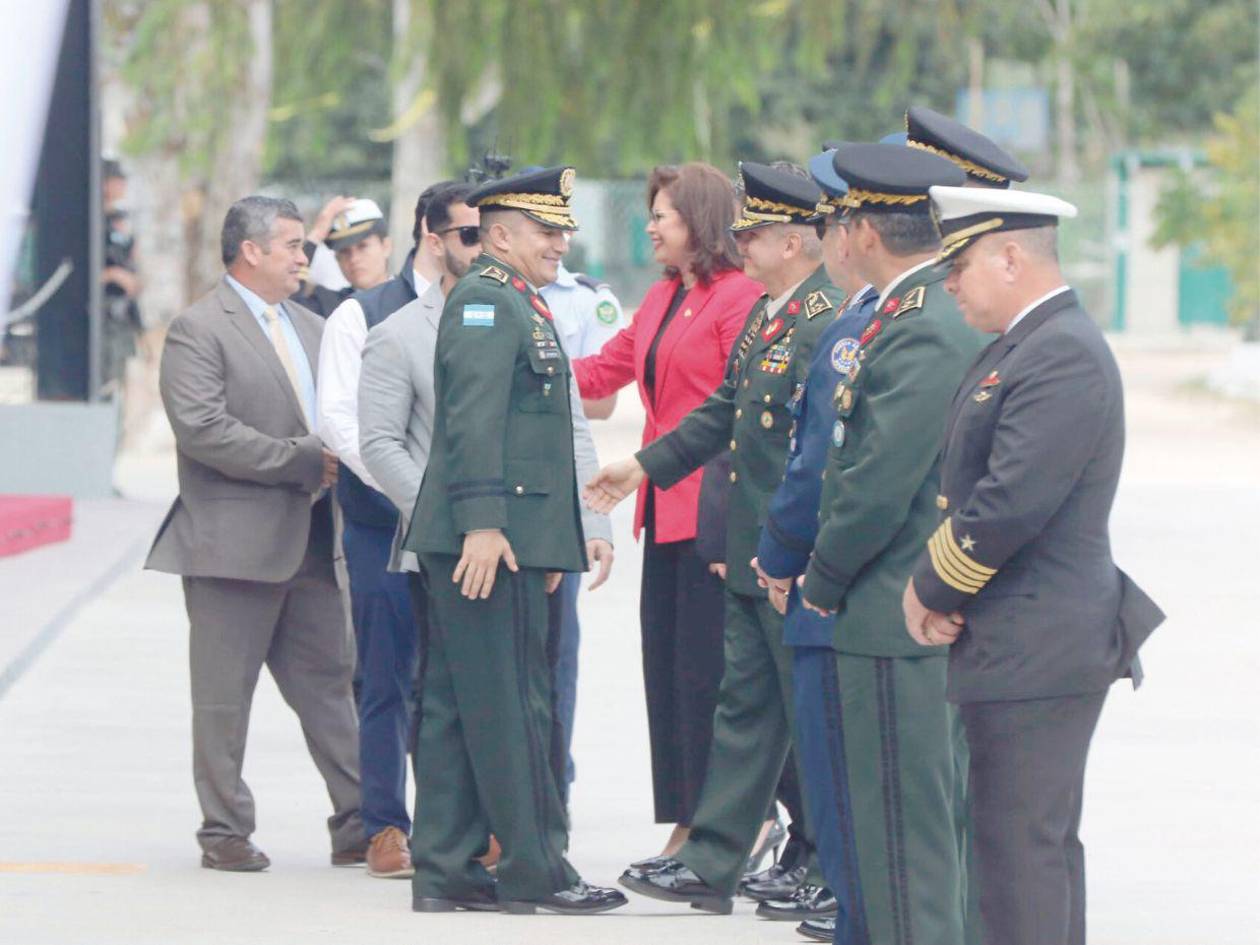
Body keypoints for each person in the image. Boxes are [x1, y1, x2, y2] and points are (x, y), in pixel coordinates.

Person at [902, 185, 1165, 945]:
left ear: (1011, 256)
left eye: (962, 263)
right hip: (1021, 636)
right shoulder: (1027, 346)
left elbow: (1008, 504)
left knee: (1021, 855)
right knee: (1025, 849)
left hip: (1039, 641)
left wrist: (928, 586)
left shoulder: (1061, 354)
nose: (949, 282)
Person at [588, 162, 841, 919]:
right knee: (743, 706)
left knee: (806, 714)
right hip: (752, 541)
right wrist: (641, 466)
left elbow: (811, 452)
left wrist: (784, 548)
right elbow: (725, 412)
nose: (742, 241)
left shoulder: (823, 317)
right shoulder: (771, 312)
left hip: (782, 548)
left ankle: (829, 863)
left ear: (794, 242)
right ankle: (711, 859)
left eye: (754, 232)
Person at [402, 166, 625, 915]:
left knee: (465, 704)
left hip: (514, 535)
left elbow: (537, 436)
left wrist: (551, 536)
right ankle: (536, 869)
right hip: (489, 539)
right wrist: (486, 524)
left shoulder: (515, 299)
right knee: (512, 704)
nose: (560, 242)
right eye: (545, 229)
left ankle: (445, 867)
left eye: (562, 229)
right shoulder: (489, 304)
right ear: (500, 235)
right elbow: (471, 419)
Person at [784, 142, 980, 945]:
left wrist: (821, 578)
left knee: (906, 836)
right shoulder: (905, 311)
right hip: (884, 609)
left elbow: (874, 481)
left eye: (840, 219)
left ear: (864, 229)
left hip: (895, 612)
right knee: (882, 826)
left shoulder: (925, 322)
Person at [145, 196, 362, 872]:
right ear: (252, 251)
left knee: (332, 686)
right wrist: (298, 459)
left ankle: (360, 818)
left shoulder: (315, 327)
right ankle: (224, 830)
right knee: (222, 697)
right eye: (295, 245)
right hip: (232, 550)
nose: (306, 257)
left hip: (316, 541)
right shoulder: (198, 329)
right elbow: (203, 429)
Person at [571, 163, 763, 857]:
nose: (650, 226)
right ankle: (687, 817)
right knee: (672, 676)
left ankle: (717, 825)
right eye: (651, 214)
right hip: (661, 508)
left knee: (709, 676)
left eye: (664, 216)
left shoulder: (738, 298)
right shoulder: (659, 298)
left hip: (714, 511)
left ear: (702, 224)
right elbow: (602, 371)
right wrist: (524, 355)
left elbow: (739, 409)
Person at [747, 143, 880, 944]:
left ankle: (856, 900)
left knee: (853, 768)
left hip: (845, 583)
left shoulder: (861, 323)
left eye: (833, 220)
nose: (827, 236)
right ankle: (851, 897)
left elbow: (827, 463)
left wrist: (789, 556)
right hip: (826, 574)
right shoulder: (858, 316)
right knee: (835, 769)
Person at [314, 195, 423, 878]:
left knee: (445, 679)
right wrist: (405, 490)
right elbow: (341, 425)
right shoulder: (354, 315)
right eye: (344, 248)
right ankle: (385, 825)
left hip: (441, 523)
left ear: (393, 243)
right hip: (382, 521)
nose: (357, 256)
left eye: (365, 244)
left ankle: (458, 822)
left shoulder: (445, 309)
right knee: (384, 677)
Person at [539, 258, 624, 802]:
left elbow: (600, 401)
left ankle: (552, 787)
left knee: (556, 653)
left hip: (557, 496)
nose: (555, 241)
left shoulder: (587, 299)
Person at [101, 158, 142, 393]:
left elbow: (130, 263)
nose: (122, 186)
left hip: (123, 313)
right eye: (117, 180)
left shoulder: (120, 220)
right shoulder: (88, 221)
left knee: (120, 386)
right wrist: (113, 274)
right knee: (106, 383)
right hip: (100, 315)